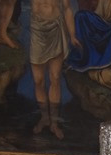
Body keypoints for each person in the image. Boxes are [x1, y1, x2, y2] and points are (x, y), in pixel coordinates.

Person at [30, 0, 78, 139]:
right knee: (38, 80)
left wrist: (72, 35)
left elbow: (67, 9)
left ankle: (54, 123)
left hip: (55, 30)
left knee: (55, 78)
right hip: (37, 32)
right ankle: (45, 118)